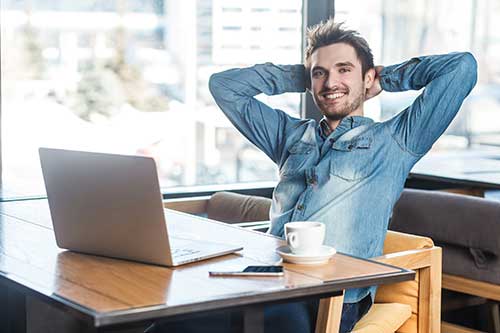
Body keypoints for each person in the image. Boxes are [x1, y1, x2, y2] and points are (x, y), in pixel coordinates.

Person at [150, 19, 477, 333]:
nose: (331, 82)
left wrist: (383, 77)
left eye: (344, 69)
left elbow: (462, 68)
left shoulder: (395, 142)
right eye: (320, 73)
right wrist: (301, 76)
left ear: (366, 78)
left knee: (275, 321)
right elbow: (223, 87)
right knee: (166, 323)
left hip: (330, 297)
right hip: (265, 281)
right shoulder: (289, 136)